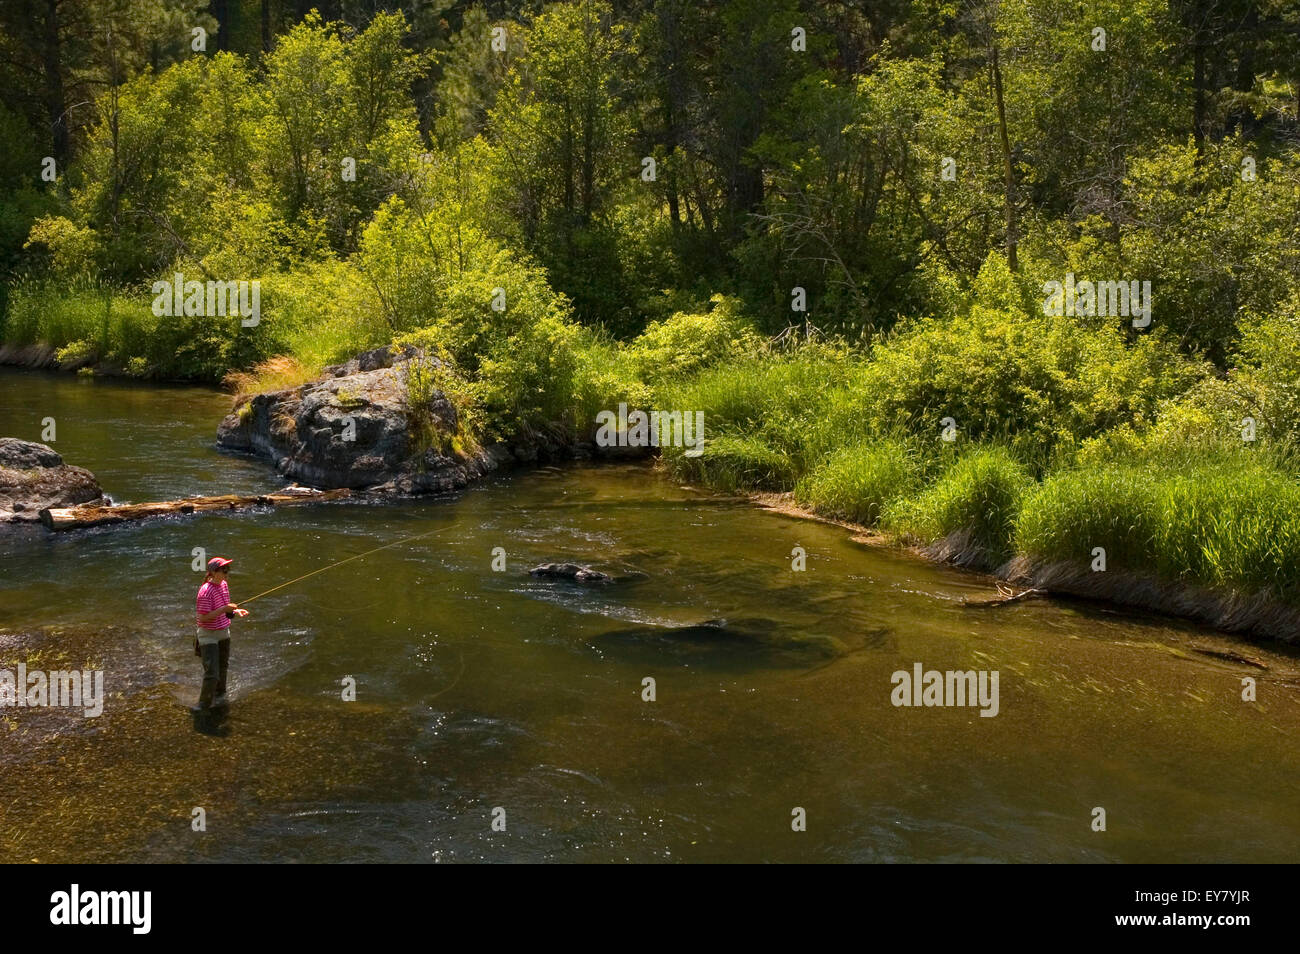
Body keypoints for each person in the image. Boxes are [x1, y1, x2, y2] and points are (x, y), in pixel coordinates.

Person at [194, 556, 249, 710]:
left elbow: (225, 606)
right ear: (212, 573)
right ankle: (202, 705)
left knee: (223, 667)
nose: (227, 572)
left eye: (227, 569)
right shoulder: (205, 591)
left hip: (224, 632)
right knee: (212, 673)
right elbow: (203, 617)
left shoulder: (224, 585)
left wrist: (236, 610)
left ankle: (220, 698)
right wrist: (224, 609)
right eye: (223, 570)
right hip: (208, 634)